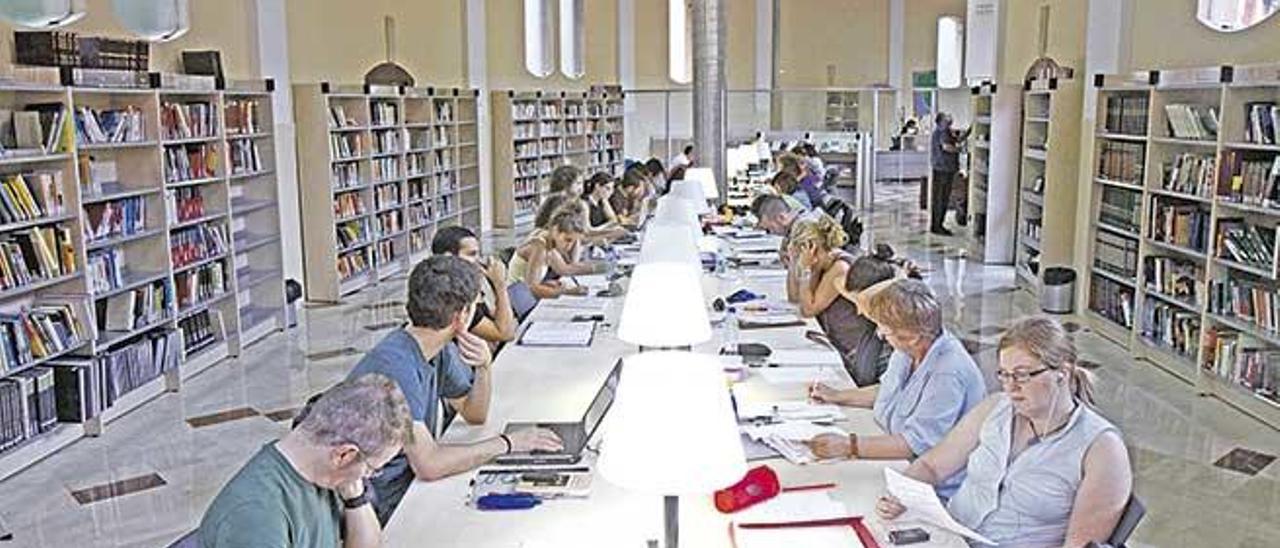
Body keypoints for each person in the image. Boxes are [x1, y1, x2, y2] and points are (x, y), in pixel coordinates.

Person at [875, 317, 1132, 548]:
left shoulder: (1102, 448)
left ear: (1062, 373)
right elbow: (932, 466)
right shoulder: (996, 408)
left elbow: (1078, 545)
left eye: (1022, 375)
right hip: (950, 536)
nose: (1011, 387)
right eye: (1004, 375)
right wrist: (902, 492)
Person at [347, 256, 563, 523]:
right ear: (462, 315)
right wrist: (510, 443)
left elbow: (474, 414)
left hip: (410, 489)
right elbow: (429, 464)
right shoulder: (395, 367)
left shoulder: (437, 348)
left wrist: (484, 367)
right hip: (384, 507)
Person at [806, 278, 986, 499]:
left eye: (886, 330)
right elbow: (889, 391)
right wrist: (838, 396)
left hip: (933, 488)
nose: (880, 335)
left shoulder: (948, 373)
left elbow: (914, 443)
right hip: (895, 462)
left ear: (912, 337)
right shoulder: (908, 350)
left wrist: (848, 446)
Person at [198, 374, 413, 547]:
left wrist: (355, 497)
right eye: (373, 469)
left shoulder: (326, 475)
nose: (368, 476)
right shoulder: (255, 517)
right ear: (343, 455)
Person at [787, 215, 896, 386]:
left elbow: (808, 310)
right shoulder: (823, 266)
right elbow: (795, 298)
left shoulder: (840, 268)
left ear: (811, 248)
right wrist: (795, 264)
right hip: (843, 346)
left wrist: (807, 269)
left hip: (860, 351)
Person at [431, 226, 517, 345]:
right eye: (472, 254)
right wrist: (500, 285)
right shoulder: (452, 297)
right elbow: (505, 333)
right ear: (449, 258)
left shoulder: (464, 285)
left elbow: (496, 316)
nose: (479, 261)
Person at [508, 209, 594, 299]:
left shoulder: (549, 242)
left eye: (573, 242)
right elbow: (532, 289)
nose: (569, 246)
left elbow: (564, 269)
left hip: (523, 298)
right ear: (555, 230)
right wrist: (566, 291)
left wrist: (548, 284)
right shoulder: (539, 247)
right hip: (517, 302)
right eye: (567, 240)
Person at [930, 112, 970, 235]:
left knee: (942, 198)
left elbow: (956, 140)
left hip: (945, 168)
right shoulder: (942, 131)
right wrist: (960, 150)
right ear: (941, 121)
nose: (950, 119)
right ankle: (937, 226)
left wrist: (968, 132)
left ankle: (937, 225)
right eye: (947, 118)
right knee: (941, 198)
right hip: (943, 169)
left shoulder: (946, 131)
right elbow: (947, 147)